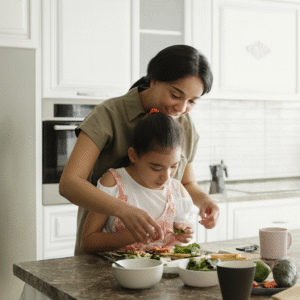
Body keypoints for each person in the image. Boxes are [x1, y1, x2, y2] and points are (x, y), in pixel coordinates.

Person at [59, 44, 220, 256]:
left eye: (191, 101)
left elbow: (186, 183)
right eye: (175, 95)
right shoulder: (109, 115)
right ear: (153, 80)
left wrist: (206, 201)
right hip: (103, 256)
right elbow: (69, 183)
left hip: (159, 257)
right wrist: (122, 210)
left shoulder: (185, 124)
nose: (181, 109)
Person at [81, 110, 199, 253]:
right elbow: (87, 242)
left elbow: (184, 236)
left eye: (174, 166)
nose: (166, 177)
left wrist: (186, 234)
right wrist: (130, 235)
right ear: (133, 155)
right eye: (156, 168)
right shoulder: (114, 183)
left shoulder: (176, 190)